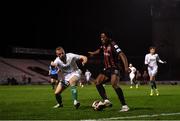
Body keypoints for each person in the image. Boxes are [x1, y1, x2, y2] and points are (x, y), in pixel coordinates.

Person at [88, 32, 130, 112]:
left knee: (114, 84)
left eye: (103, 37)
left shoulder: (113, 44)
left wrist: (126, 67)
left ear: (108, 37)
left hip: (115, 68)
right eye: (101, 37)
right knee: (97, 82)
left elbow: (122, 55)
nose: (102, 39)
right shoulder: (103, 45)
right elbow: (99, 50)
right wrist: (93, 53)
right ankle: (106, 100)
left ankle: (125, 106)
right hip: (107, 68)